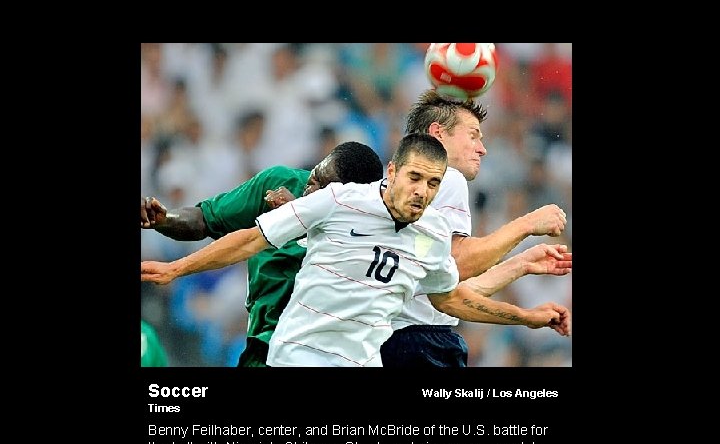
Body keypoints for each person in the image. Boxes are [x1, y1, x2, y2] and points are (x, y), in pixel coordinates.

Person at [142, 133, 571, 367]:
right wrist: (175, 268)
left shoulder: (432, 233)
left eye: (432, 184)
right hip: (293, 355)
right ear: (392, 172)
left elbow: (449, 297)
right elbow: (249, 237)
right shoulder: (335, 202)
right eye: (415, 178)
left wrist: (526, 316)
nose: (422, 192)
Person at [141, 141, 384, 367]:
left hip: (329, 352)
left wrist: (297, 219)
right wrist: (164, 220)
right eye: (314, 176)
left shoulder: (374, 231)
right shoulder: (283, 182)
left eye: (322, 188)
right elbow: (206, 220)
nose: (308, 189)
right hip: (264, 346)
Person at [381, 90, 569, 367]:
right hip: (418, 343)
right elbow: (458, 263)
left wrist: (520, 264)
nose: (482, 148)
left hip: (387, 339)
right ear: (438, 134)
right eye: (473, 135)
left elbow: (445, 291)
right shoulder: (447, 177)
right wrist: (528, 224)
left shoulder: (390, 190)